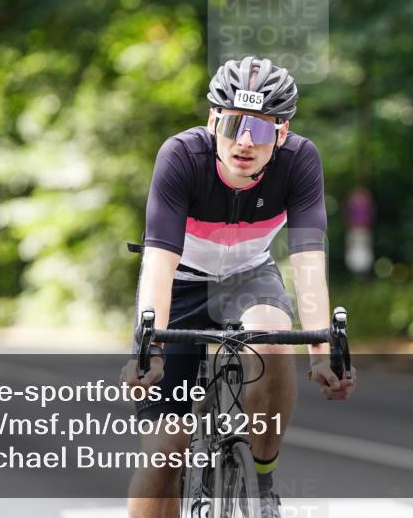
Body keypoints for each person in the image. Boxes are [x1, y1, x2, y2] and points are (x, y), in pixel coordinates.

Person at [120, 55, 356, 518]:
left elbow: (308, 263)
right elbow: (159, 263)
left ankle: (263, 484)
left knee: (272, 341)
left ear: (282, 134)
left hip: (251, 276)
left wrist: (322, 354)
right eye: (232, 124)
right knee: (165, 450)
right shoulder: (182, 156)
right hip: (182, 282)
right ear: (213, 121)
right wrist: (144, 352)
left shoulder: (301, 161)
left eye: (263, 130)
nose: (245, 141)